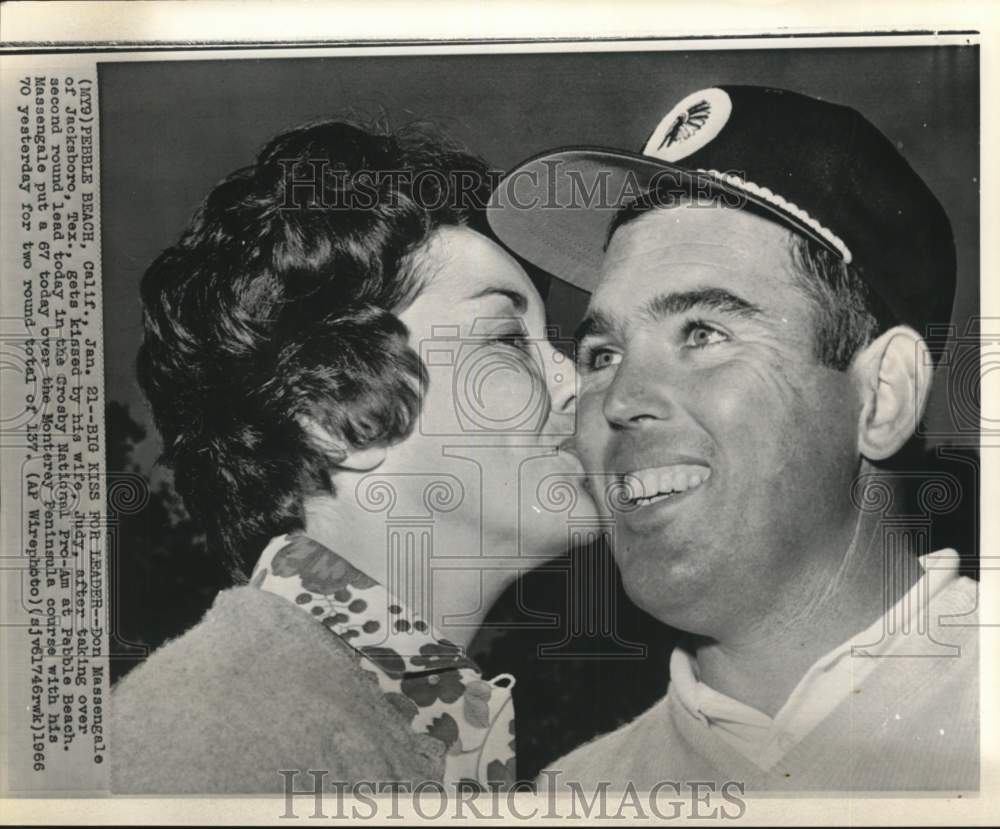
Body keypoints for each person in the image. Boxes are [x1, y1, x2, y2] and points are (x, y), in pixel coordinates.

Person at [488, 85, 978, 792]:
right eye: (603, 354)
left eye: (704, 334)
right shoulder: (572, 793)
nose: (620, 400)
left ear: (884, 395)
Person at [111, 120, 598, 793]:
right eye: (508, 340)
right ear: (331, 413)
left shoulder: (387, 713)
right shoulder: (204, 737)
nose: (576, 382)